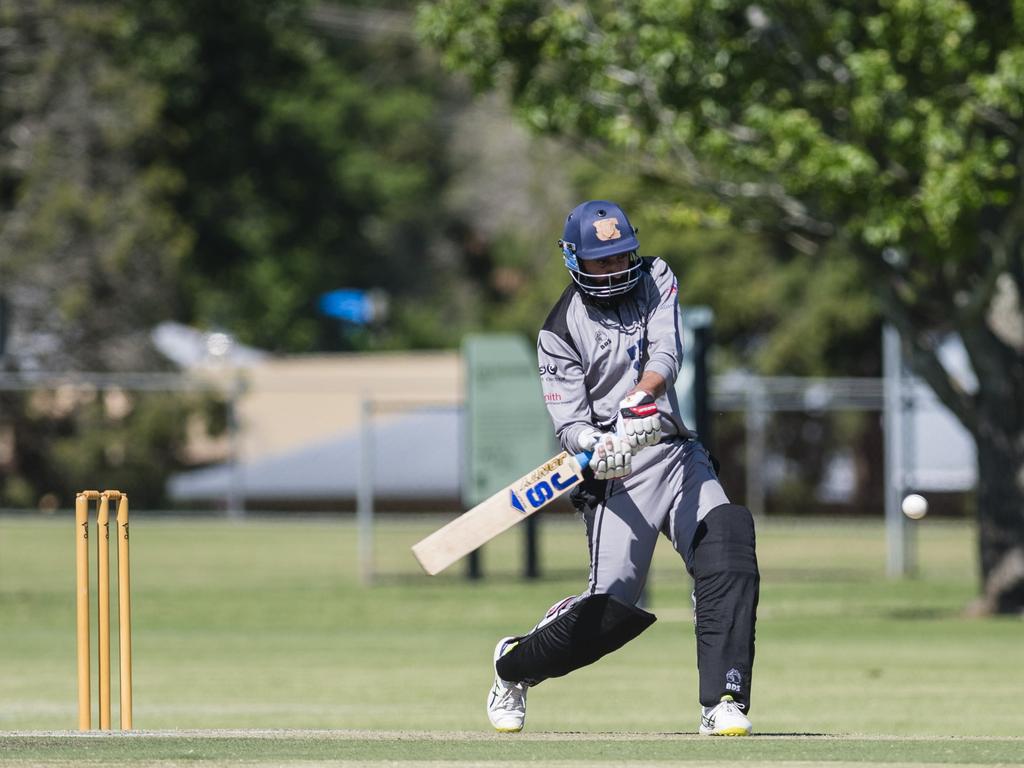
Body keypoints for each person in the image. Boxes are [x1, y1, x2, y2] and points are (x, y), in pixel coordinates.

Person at [485, 200, 760, 735]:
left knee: (727, 547)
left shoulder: (657, 276)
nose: (615, 271)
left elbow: (667, 354)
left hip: (675, 452)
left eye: (621, 257)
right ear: (574, 261)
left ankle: (722, 699)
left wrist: (639, 401)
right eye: (601, 262)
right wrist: (596, 441)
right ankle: (512, 665)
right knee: (605, 616)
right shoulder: (558, 330)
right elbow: (568, 422)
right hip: (614, 479)